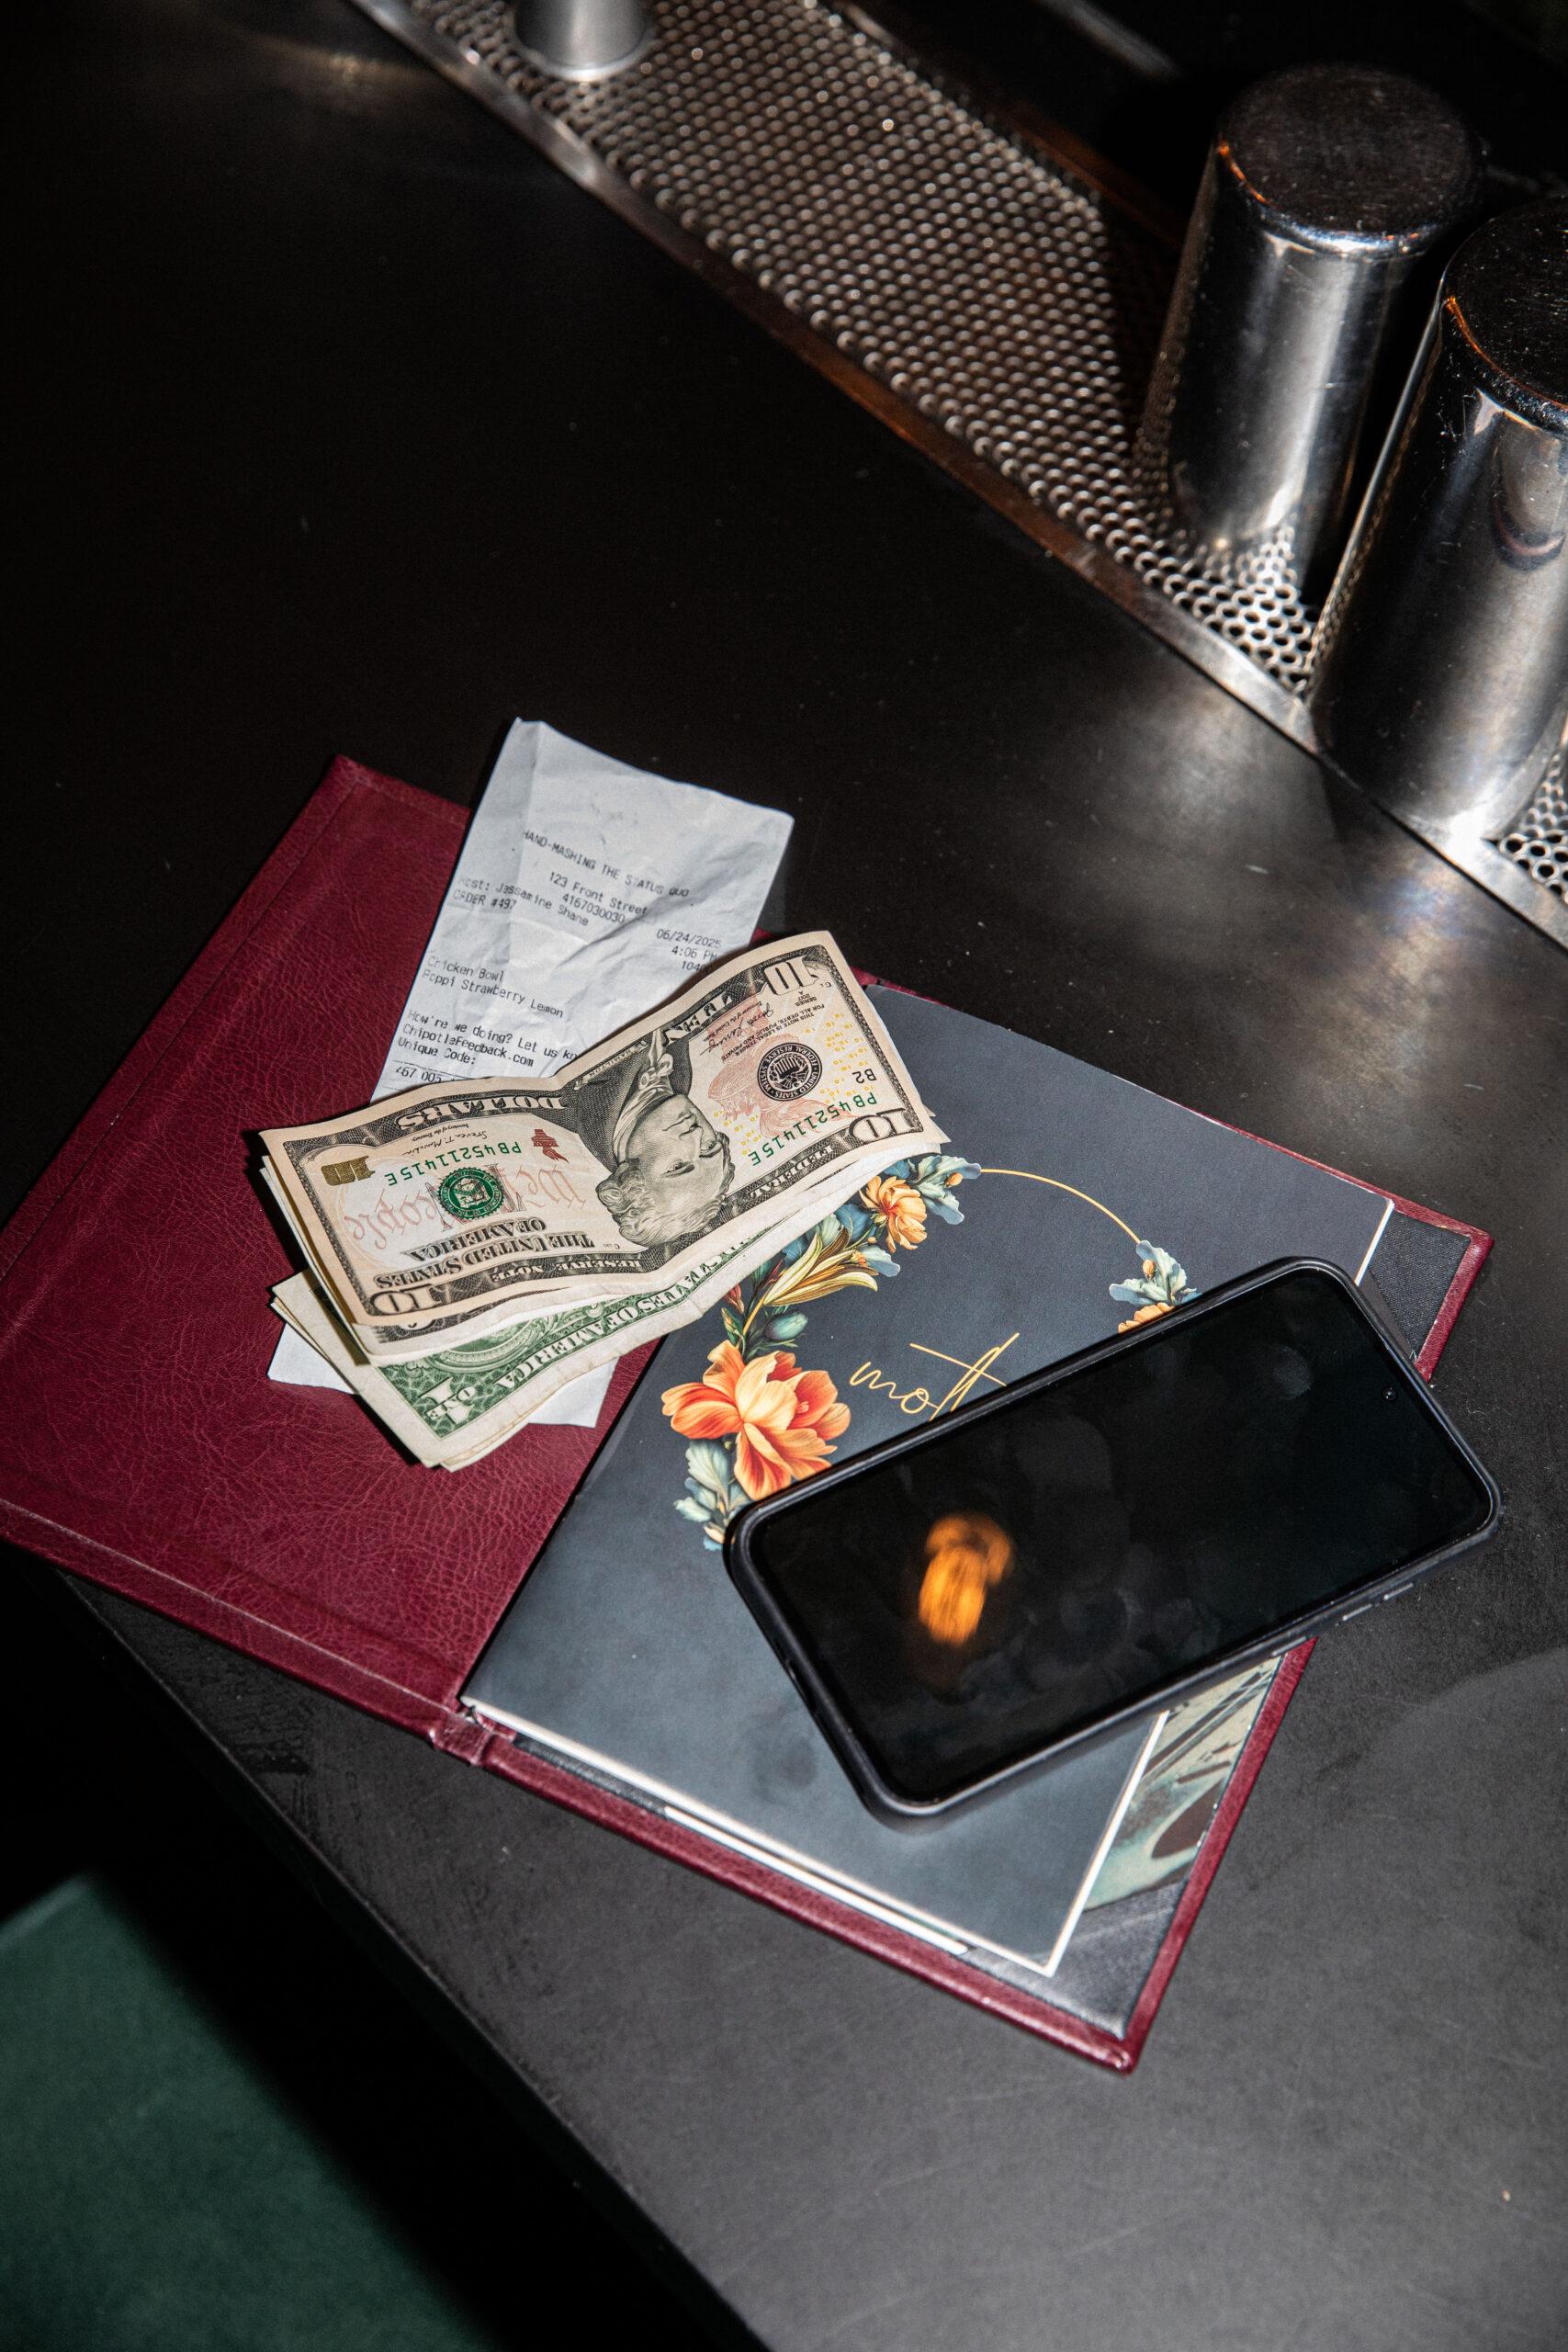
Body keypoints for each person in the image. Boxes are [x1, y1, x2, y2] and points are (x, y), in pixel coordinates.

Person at [563, 1028, 734, 1250]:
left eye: (677, 1166)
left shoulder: (569, 1105)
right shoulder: (680, 1071)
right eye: (709, 1148)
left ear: (629, 1178)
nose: (696, 1135)